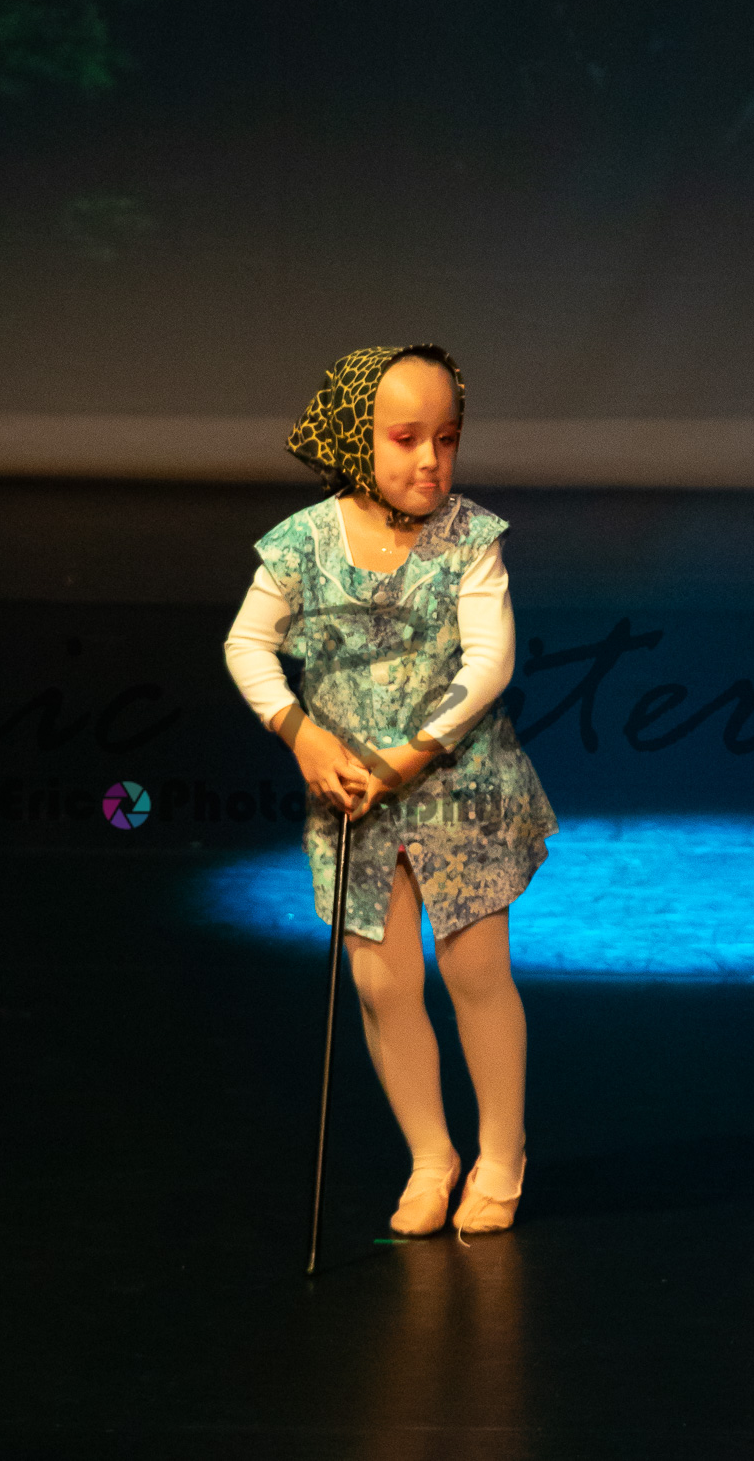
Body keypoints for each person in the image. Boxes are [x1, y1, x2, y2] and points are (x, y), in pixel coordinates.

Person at [223, 344, 557, 1240]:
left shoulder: (470, 539)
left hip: (456, 784)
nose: (430, 462)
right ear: (354, 439)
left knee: (476, 973)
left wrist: (410, 755)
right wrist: (300, 732)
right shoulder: (303, 543)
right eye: (406, 439)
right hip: (351, 795)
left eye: (446, 439)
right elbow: (247, 644)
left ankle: (501, 1155)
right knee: (383, 984)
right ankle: (430, 1156)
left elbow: (490, 660)